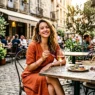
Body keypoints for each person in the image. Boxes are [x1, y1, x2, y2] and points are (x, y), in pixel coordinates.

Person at [21, 19, 66, 95]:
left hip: (45, 74)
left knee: (51, 88)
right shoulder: (33, 45)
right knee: (53, 78)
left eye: (47, 27)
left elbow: (63, 61)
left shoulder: (54, 45)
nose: (45, 29)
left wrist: (51, 64)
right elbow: (30, 68)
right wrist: (42, 59)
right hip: (31, 75)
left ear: (50, 29)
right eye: (42, 28)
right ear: (38, 32)